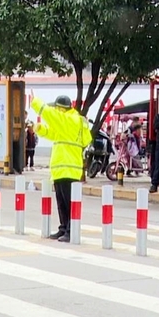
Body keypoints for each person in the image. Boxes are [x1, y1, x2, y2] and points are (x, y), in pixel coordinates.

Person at [32, 95, 92, 243]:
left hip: (69, 167)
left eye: (56, 108)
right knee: (61, 202)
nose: (55, 111)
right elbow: (54, 134)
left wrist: (35, 102)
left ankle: (71, 230)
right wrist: (41, 130)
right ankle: (64, 228)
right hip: (61, 168)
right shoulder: (66, 122)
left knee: (69, 202)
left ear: (61, 109)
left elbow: (50, 115)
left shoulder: (71, 120)